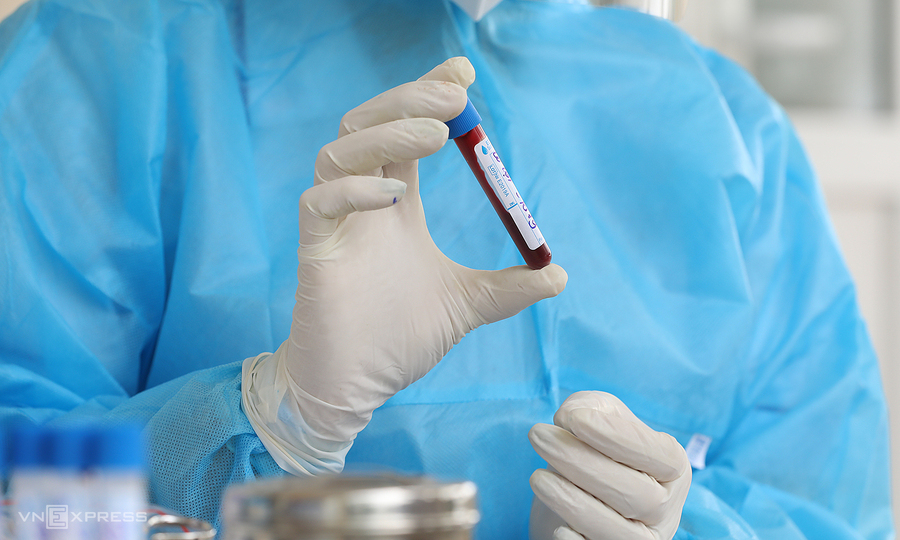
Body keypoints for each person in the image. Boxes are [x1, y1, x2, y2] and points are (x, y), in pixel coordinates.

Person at [0, 0, 892, 538]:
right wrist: (271, 422)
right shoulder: (105, 59)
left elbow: (827, 511)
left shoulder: (730, 131)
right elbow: (22, 489)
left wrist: (681, 526)